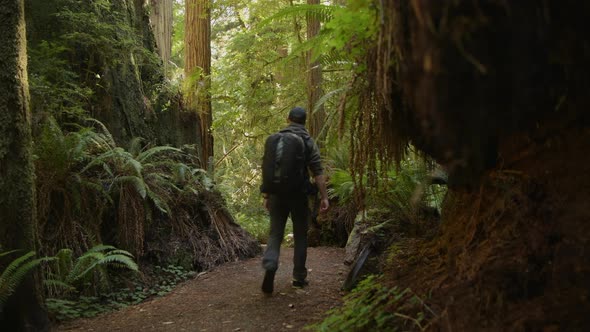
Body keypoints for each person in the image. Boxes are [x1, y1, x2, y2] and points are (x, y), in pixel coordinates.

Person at [261, 106, 329, 294]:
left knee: (275, 233)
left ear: (288, 118)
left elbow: (267, 167)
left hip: (276, 194)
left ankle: (270, 263)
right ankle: (299, 278)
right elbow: (318, 172)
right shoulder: (307, 141)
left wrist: (266, 195)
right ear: (304, 121)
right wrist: (324, 197)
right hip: (299, 195)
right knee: (300, 236)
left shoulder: (276, 139)